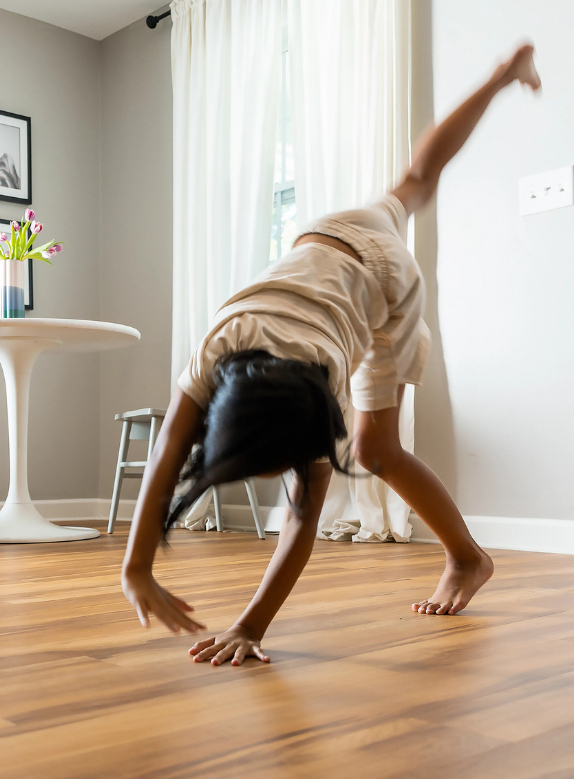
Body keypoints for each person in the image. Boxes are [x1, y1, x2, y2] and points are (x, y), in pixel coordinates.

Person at [121, 45, 541, 667]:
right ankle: (501, 73)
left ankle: (468, 558)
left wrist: (249, 626)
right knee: (418, 180)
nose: (280, 480)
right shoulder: (219, 348)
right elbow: (166, 457)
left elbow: (300, 521)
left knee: (375, 451)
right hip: (332, 236)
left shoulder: (318, 397)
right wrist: (135, 568)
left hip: (386, 286)